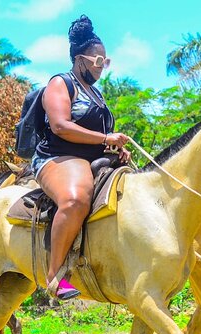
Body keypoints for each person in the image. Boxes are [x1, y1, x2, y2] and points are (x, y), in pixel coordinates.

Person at [32, 14, 131, 300]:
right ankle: (55, 276)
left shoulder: (96, 93)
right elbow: (61, 126)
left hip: (92, 160)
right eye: (97, 61)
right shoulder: (60, 84)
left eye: (106, 62)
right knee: (75, 199)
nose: (102, 68)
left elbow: (99, 135)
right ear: (79, 59)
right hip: (57, 157)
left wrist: (113, 148)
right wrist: (104, 139)